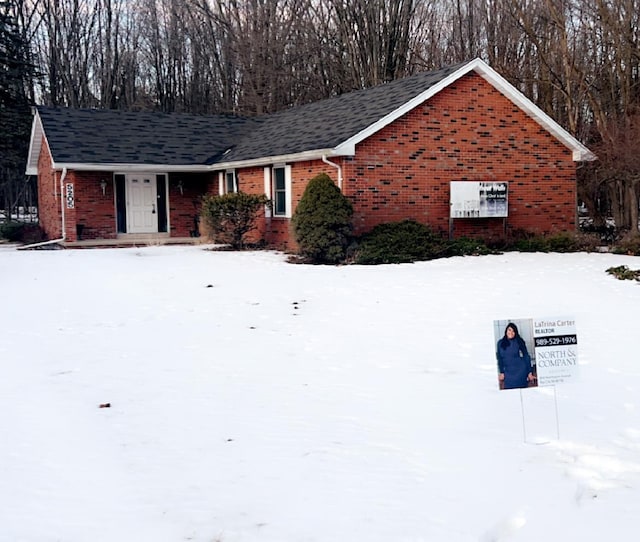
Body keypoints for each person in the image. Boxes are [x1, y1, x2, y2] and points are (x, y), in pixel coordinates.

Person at [496, 322, 535, 389]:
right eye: (509, 330)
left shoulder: (519, 341)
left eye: (513, 331)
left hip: (520, 371)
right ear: (506, 331)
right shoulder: (500, 343)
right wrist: (501, 372)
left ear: (515, 333)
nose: (511, 332)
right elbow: (499, 358)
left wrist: (529, 372)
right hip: (508, 372)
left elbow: (526, 355)